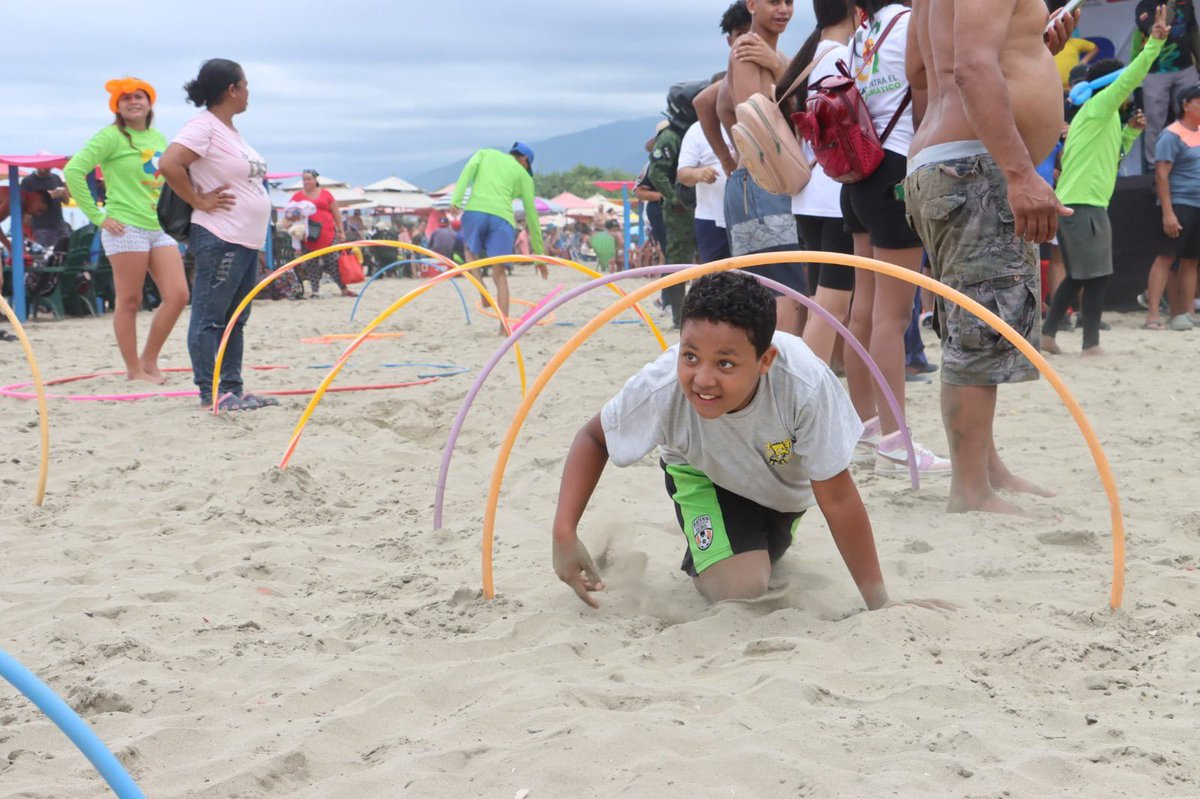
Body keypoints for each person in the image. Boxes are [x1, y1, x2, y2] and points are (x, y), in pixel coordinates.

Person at [551, 271, 917, 611]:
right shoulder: (661, 386)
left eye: (725, 363)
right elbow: (593, 437)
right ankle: (714, 554)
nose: (703, 379)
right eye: (690, 356)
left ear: (765, 360)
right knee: (742, 590)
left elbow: (837, 497)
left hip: (781, 490)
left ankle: (753, 540)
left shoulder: (805, 385)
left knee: (764, 560)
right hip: (703, 474)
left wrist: (880, 603)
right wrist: (564, 531)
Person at [904, 0, 1087, 513]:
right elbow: (972, 66)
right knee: (981, 333)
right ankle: (970, 489)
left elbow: (923, 69)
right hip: (975, 165)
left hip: (944, 160)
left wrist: (1029, 48)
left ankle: (984, 468)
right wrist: (1018, 172)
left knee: (969, 328)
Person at [836, 0, 951, 478]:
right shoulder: (912, 23)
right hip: (897, 169)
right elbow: (930, 94)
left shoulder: (862, 33)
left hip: (858, 173)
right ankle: (895, 439)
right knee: (893, 315)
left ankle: (865, 426)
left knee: (864, 309)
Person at [1042, 14, 1168, 355]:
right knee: (1091, 276)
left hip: (1088, 202)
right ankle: (1086, 343)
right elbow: (1130, 77)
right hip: (1080, 203)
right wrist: (1153, 43)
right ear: (1108, 87)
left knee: (1088, 275)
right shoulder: (1099, 106)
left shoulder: (1104, 116)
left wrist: (1130, 133)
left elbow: (1109, 159)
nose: (1124, 94)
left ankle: (1050, 335)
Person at [160, 58, 277, 412]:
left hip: (243, 240)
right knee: (210, 318)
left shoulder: (229, 132)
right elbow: (168, 164)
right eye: (245, 85)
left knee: (235, 319)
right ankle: (211, 394)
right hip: (219, 237)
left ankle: (232, 389)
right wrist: (198, 200)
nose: (248, 93)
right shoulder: (204, 127)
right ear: (231, 89)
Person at [64, 78, 189, 385]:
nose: (133, 102)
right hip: (124, 225)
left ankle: (149, 359)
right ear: (117, 107)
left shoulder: (159, 138)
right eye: (126, 99)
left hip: (159, 226)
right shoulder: (110, 137)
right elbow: (73, 171)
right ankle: (133, 369)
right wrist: (97, 216)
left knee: (178, 296)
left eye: (139, 97)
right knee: (129, 300)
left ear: (150, 102)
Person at [699, 0, 810, 334]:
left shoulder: (762, 52)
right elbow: (755, 119)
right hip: (765, 184)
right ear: (751, 4)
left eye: (789, 2)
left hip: (751, 184)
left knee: (767, 288)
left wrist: (729, 159)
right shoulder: (748, 49)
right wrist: (731, 159)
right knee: (783, 292)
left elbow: (711, 103)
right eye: (774, 1)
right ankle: (779, 373)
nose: (784, 10)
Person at [778, 0, 858, 365]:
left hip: (809, 195)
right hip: (835, 193)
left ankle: (809, 381)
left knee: (820, 303)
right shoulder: (843, 56)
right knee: (832, 307)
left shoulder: (810, 56)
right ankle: (808, 388)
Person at [450, 142, 548, 333]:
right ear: (525, 161)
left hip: (476, 210)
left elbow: (468, 170)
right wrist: (539, 255)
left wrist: (457, 199)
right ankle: (504, 329)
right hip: (502, 218)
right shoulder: (523, 176)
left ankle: (483, 293)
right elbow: (531, 215)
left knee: (470, 252)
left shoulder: (485, 153)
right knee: (500, 273)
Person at [1144, 84, 1200, 330]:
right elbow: (1161, 175)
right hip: (1179, 203)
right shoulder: (1171, 134)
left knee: (1191, 260)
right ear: (1186, 104)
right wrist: (1168, 212)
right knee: (1166, 257)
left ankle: (1185, 314)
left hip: (1197, 204)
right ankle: (1153, 315)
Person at [648, 94, 698, 328]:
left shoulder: (692, 133)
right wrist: (673, 197)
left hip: (697, 207)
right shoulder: (670, 137)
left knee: (701, 261)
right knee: (678, 261)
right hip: (679, 212)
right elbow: (657, 173)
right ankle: (678, 316)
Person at [1135, 0, 1200, 169]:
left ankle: (1193, 159)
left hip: (1185, 68)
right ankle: (1154, 165)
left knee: (1193, 114)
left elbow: (1192, 29)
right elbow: (1157, 29)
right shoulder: (1145, 6)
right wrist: (1171, 3)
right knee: (1155, 118)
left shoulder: (1186, 2)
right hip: (1156, 71)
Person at [291, 170, 350, 298]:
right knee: (312, 264)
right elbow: (289, 213)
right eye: (304, 179)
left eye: (309, 179)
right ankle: (315, 291)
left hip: (328, 233)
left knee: (333, 262)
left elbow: (336, 214)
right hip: (308, 236)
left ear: (316, 180)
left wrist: (341, 231)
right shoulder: (298, 196)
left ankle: (343, 288)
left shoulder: (326, 194)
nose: (306, 182)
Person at [19, 167, 70, 250]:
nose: (48, 169)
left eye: (50, 167)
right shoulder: (28, 181)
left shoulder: (56, 178)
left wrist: (64, 193)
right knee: (48, 253)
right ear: (37, 166)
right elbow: (25, 203)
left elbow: (66, 201)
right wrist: (52, 195)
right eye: (45, 167)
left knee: (65, 252)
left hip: (59, 224)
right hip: (42, 226)